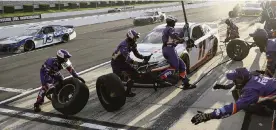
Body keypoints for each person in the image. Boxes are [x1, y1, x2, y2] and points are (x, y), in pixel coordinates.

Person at [191, 67, 276, 125]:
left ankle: (266, 112)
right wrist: (223, 86)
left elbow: (233, 108)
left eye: (235, 79)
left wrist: (209, 115)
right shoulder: (252, 75)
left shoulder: (250, 91)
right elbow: (237, 83)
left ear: (241, 79)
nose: (233, 81)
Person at [111, 29, 151, 97]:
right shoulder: (124, 45)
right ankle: (118, 92)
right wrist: (137, 63)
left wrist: (144, 57)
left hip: (123, 62)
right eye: (135, 38)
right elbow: (128, 59)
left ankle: (129, 89)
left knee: (134, 73)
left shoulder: (133, 44)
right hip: (116, 64)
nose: (136, 39)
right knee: (119, 80)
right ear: (131, 37)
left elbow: (136, 54)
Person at [161, 16, 196, 89]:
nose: (175, 24)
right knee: (175, 67)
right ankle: (162, 77)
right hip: (169, 50)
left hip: (169, 49)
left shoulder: (166, 29)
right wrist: (180, 39)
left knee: (182, 66)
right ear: (172, 22)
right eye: (174, 22)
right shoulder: (170, 29)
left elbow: (176, 36)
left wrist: (184, 29)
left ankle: (186, 83)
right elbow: (174, 36)